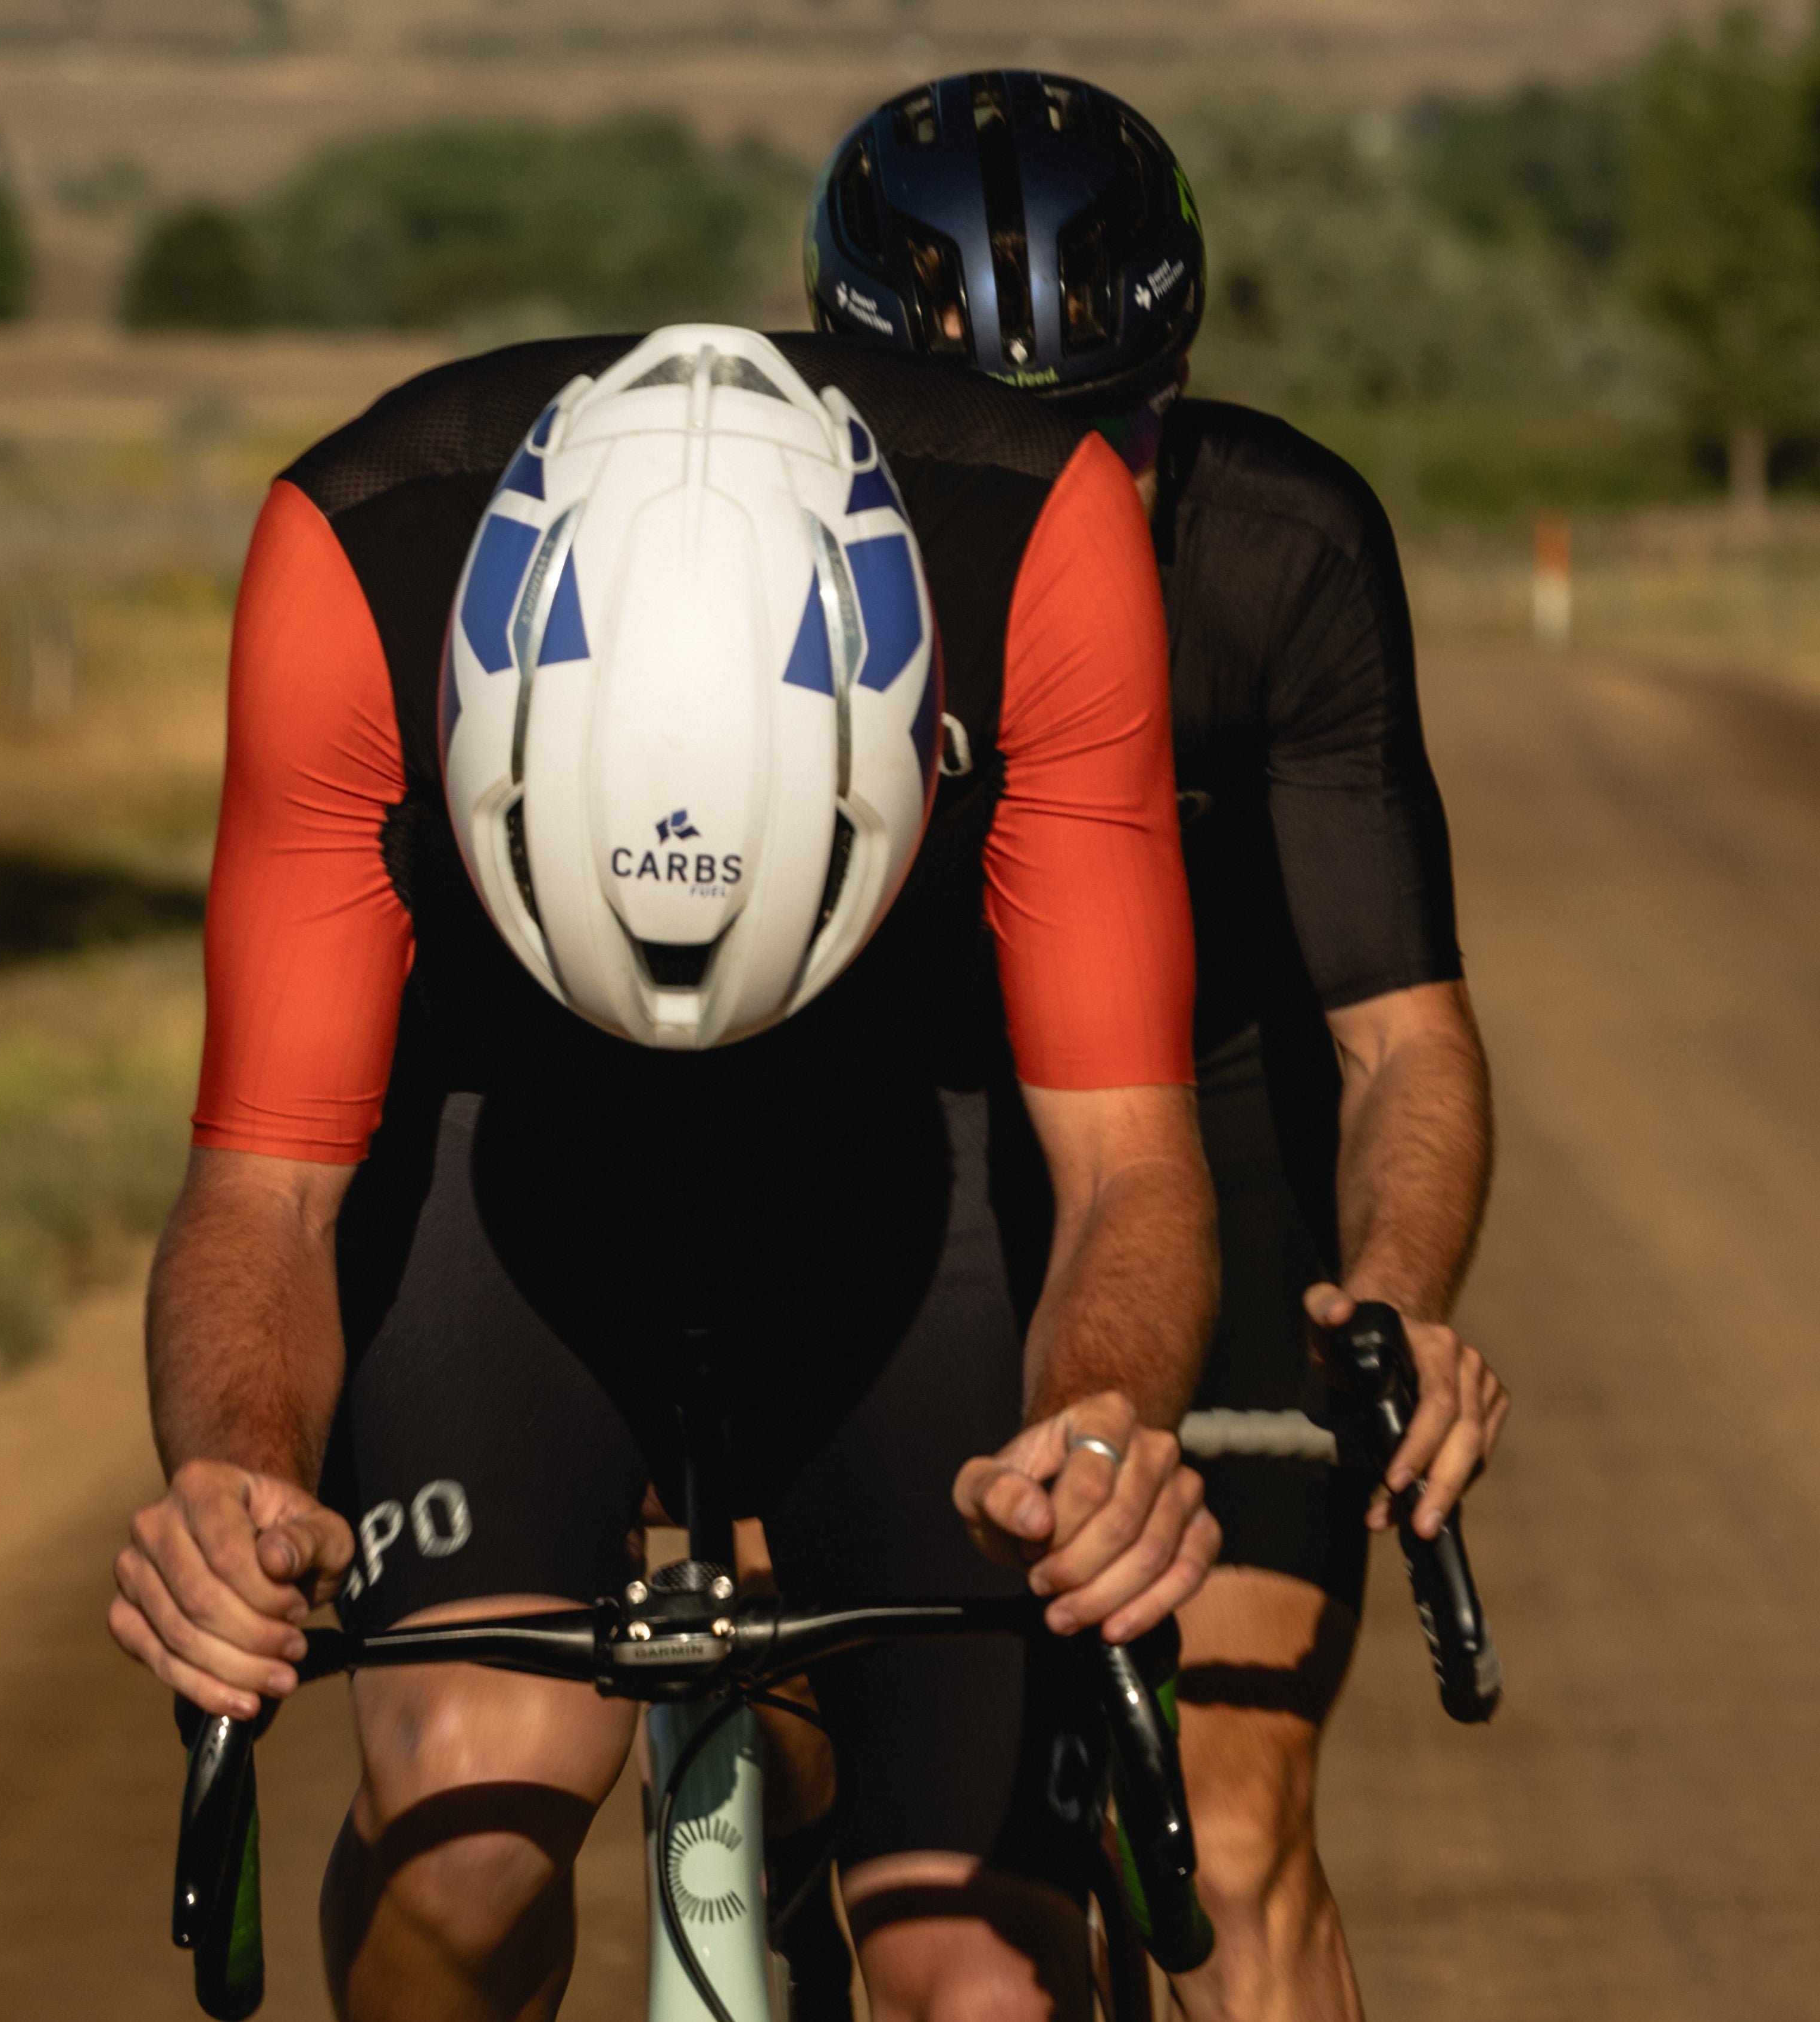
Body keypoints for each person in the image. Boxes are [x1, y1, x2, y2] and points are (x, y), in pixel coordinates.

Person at [113, 322, 1224, 2021]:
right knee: (466, 1829)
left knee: (984, 1976)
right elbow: (265, 1190)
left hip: (902, 1154)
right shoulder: (358, 557)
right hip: (508, 1155)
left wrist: (1097, 1427)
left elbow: (1128, 1161)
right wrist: (237, 1478)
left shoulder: (1036, 538)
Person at [806, 71, 1513, 2022]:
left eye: (1114, 429)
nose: (1062, 489)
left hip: (1218, 1143)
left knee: (1227, 1808)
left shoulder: (1284, 550)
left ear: (1180, 385)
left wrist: (1398, 1293)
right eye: (982, 445)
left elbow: (1399, 1036)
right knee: (860, 1815)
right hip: (894, 1164)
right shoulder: (762, 568)